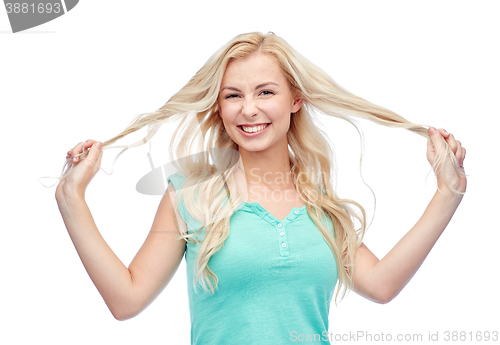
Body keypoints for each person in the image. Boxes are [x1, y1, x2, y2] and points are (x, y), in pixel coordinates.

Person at [53, 32, 466, 344]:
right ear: (219, 107)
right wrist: (71, 200)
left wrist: (448, 193)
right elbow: (126, 300)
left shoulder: (321, 205)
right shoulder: (191, 196)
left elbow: (381, 285)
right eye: (233, 95)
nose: (248, 109)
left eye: (265, 92)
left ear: (295, 99)